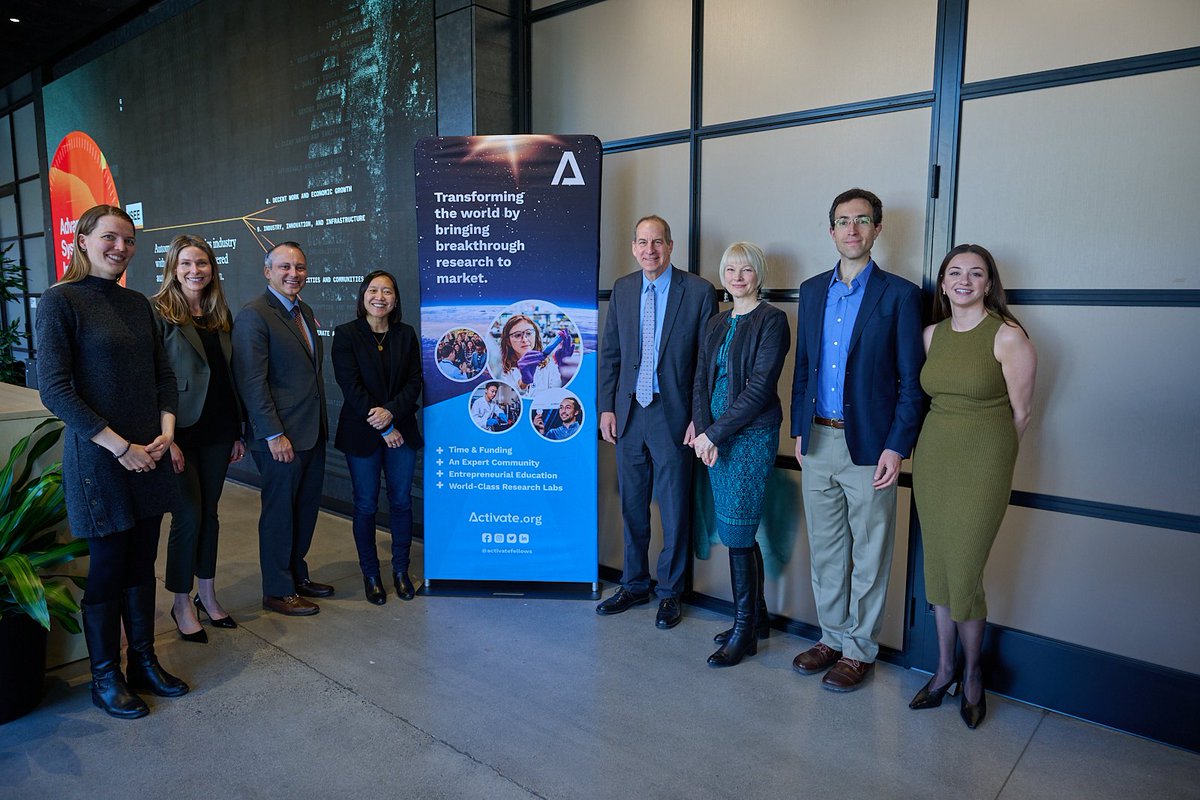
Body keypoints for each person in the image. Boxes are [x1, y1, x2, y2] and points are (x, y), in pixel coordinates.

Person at [37, 204, 188, 719]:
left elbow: (163, 378)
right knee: (106, 568)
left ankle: (144, 660)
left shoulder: (139, 305)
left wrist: (165, 437)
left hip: (150, 454)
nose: (120, 247)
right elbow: (55, 390)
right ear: (82, 239)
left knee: (142, 563)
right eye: (109, 237)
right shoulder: (60, 303)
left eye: (128, 240)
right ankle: (106, 677)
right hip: (101, 459)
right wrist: (120, 446)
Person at [789, 189, 925, 691]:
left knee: (869, 551)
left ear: (877, 229)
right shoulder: (810, 290)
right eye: (843, 221)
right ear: (831, 231)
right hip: (818, 441)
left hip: (870, 448)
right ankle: (831, 636)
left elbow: (912, 382)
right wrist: (799, 429)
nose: (852, 230)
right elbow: (803, 367)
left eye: (862, 221)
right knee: (825, 550)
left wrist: (896, 446)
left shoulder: (901, 296)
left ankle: (859, 649)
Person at [909, 244, 1036, 729]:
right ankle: (944, 672)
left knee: (964, 573)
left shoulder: (1007, 337)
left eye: (976, 273)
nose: (964, 280)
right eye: (955, 272)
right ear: (942, 282)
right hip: (935, 459)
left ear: (989, 284)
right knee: (938, 573)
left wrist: (993, 461)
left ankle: (974, 674)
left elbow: (1021, 415)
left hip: (984, 464)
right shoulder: (930, 335)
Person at [596, 215, 716, 628]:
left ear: (671, 245)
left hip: (674, 416)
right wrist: (606, 408)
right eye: (643, 242)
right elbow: (611, 353)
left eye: (658, 242)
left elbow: (706, 364)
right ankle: (633, 584)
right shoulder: (625, 289)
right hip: (629, 414)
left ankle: (670, 592)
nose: (650, 250)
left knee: (674, 509)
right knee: (632, 507)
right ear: (633, 247)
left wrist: (699, 419)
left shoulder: (698, 292)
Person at [690, 242, 790, 667]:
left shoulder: (773, 321)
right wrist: (699, 428)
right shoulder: (716, 322)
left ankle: (743, 630)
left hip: (749, 437)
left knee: (737, 533)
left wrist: (714, 434)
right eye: (730, 269)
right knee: (738, 529)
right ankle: (757, 620)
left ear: (758, 274)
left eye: (745, 270)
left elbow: (760, 388)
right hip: (713, 437)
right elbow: (700, 379)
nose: (737, 277)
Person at [151, 235, 245, 643]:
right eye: (186, 263)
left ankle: (206, 592)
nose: (195, 271)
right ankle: (180, 600)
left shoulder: (219, 314)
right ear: (173, 268)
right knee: (188, 515)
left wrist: (238, 431)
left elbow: (229, 378)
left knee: (210, 515)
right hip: (180, 431)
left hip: (220, 430)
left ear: (212, 268)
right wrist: (164, 436)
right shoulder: (159, 313)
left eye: (202, 263)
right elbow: (153, 380)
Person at [232, 241, 332, 616]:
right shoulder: (254, 316)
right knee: (279, 514)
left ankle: (296, 576)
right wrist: (274, 434)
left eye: (300, 267)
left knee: (304, 510)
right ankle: (277, 590)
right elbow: (252, 382)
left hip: (310, 431)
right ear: (267, 271)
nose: (294, 274)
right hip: (280, 438)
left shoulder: (302, 311)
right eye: (285, 267)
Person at [332, 270, 424, 605]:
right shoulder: (346, 335)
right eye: (373, 290)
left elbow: (415, 382)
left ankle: (401, 570)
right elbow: (351, 388)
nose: (379, 297)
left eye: (387, 291)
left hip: (402, 431)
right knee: (366, 504)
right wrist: (383, 425)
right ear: (363, 296)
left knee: (401, 502)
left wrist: (391, 414)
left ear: (395, 299)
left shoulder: (406, 334)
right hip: (363, 434)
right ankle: (371, 574)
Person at [497, 314, 567, 397]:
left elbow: (557, 396)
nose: (524, 339)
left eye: (529, 333)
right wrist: (523, 383)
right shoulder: (499, 371)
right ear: (508, 341)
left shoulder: (550, 366)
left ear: (535, 336)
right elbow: (507, 399)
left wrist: (565, 375)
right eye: (517, 335)